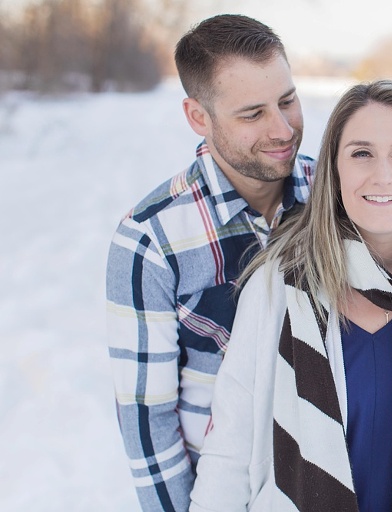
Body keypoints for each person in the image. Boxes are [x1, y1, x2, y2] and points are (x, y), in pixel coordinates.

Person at [189, 79, 392, 512]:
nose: (382, 175)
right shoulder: (277, 289)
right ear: (335, 170)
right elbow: (228, 456)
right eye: (361, 153)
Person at [105, 15, 314, 512]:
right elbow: (148, 421)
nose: (283, 129)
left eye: (287, 101)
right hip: (225, 492)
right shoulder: (150, 241)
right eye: (252, 114)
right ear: (198, 116)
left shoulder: (338, 197)